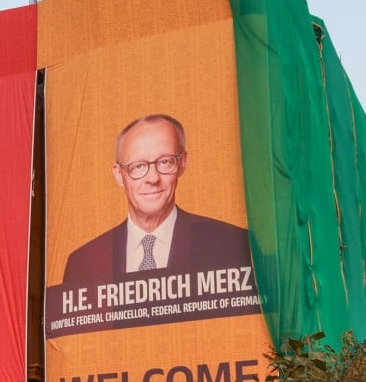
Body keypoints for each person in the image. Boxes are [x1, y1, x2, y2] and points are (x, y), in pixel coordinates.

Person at [62, 114, 253, 285]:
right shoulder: (82, 264)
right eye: (138, 166)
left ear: (182, 163)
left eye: (165, 162)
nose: (153, 178)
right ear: (119, 175)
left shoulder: (233, 245)